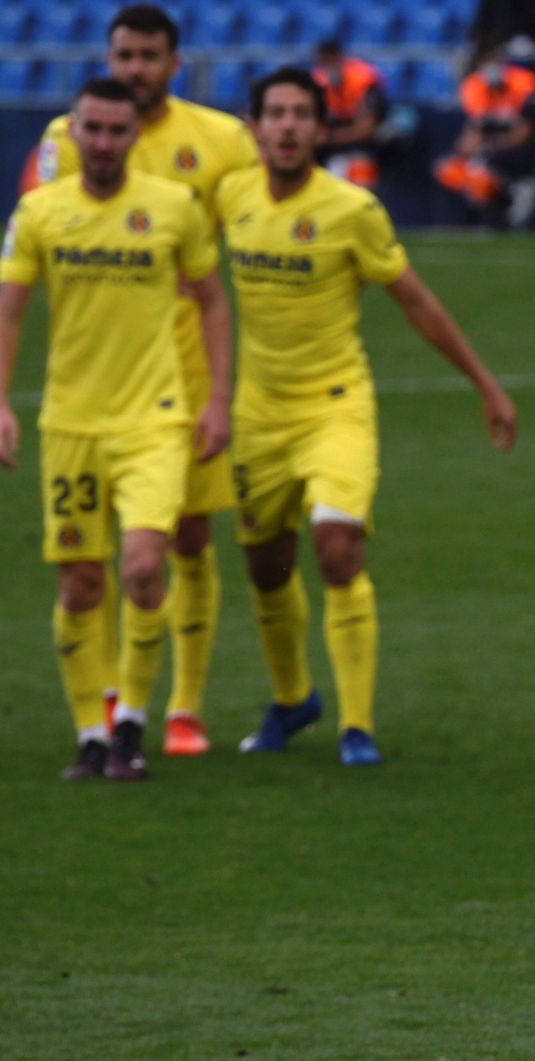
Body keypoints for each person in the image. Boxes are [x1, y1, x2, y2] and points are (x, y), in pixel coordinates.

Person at [222, 68, 518, 766]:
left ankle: (357, 725)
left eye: (302, 114)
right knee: (265, 565)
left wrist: (484, 383)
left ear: (321, 129)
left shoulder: (352, 209)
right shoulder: (229, 196)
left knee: (336, 545)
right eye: (277, 113)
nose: (289, 125)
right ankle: (294, 699)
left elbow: (415, 301)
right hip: (258, 413)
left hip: (335, 407)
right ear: (256, 125)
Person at [27, 3, 260, 757]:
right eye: (123, 54)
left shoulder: (222, 139)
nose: (134, 68)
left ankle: (183, 705)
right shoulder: (65, 140)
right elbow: (38, 217)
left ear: (174, 61)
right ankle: (109, 706)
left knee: (187, 538)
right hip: (100, 376)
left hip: (186, 371)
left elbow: (249, 233)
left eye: (148, 56)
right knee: (102, 564)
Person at [0, 78, 233, 782]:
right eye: (91, 130)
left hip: (153, 421)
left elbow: (213, 304)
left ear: (136, 136)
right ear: (72, 134)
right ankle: (89, 736)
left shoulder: (173, 208)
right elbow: (9, 312)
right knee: (79, 586)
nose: (102, 143)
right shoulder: (39, 212)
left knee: (140, 567)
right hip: (71, 422)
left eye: (115, 131)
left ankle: (131, 722)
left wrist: (217, 398)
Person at [434, 49, 535, 227]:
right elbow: (472, 133)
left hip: (526, 149)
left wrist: (492, 147)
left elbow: (524, 134)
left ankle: (503, 215)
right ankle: (464, 223)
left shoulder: (522, 86)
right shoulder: (477, 90)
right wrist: (468, 151)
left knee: (480, 172)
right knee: (450, 169)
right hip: (493, 149)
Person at [310, 40, 388, 189]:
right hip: (332, 152)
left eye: (329, 61)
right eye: (322, 63)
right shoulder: (318, 82)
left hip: (367, 148)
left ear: (339, 58)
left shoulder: (364, 79)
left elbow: (366, 129)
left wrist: (328, 137)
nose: (326, 68)